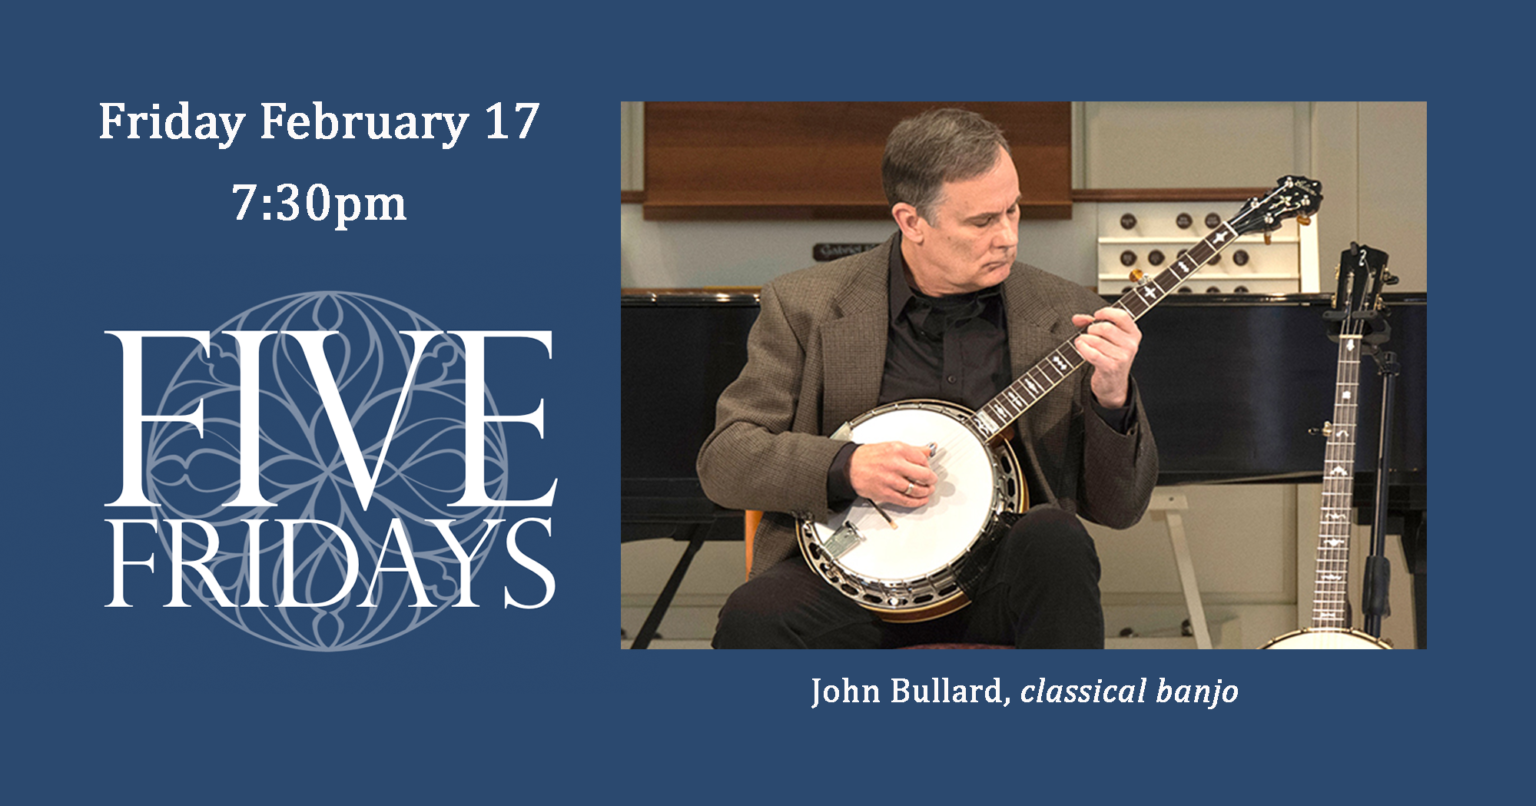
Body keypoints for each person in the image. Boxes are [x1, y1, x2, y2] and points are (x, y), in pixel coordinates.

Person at [698, 108, 1157, 649]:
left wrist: (1111, 396)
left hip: (1000, 586)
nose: (1008, 237)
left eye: (1013, 210)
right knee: (754, 615)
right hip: (850, 589)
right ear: (911, 221)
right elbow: (725, 460)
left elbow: (1121, 508)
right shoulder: (807, 306)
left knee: (1056, 537)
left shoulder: (1065, 313)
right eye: (982, 222)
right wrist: (847, 466)